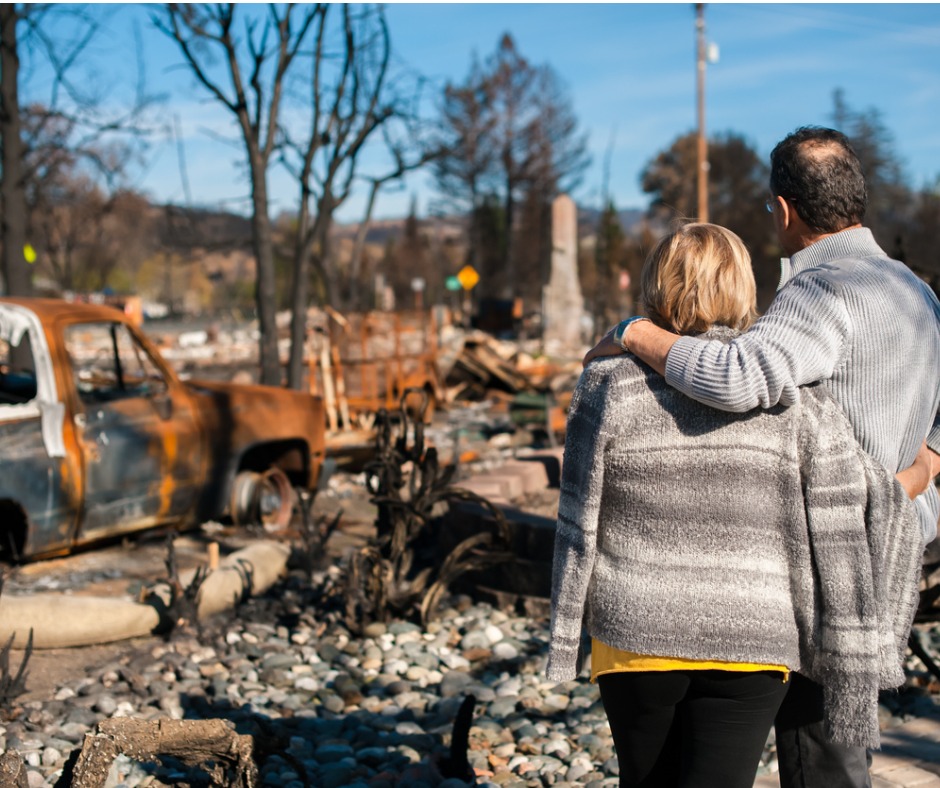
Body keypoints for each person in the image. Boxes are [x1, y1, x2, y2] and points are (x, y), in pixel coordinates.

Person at [584, 126, 940, 787]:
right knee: (839, 748)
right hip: (894, 548)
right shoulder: (917, 294)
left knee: (816, 758)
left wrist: (635, 333)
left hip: (822, 559)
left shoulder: (821, 292)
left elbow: (736, 377)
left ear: (782, 209)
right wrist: (917, 479)